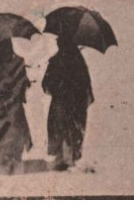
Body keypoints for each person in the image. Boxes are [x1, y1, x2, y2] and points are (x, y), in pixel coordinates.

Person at [0, 38, 33, 173]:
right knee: (14, 133)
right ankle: (14, 163)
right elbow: (23, 86)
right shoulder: (19, 61)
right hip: (14, 106)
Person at [42, 37, 94, 170]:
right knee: (75, 129)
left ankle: (61, 158)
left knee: (59, 128)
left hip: (60, 102)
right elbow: (86, 84)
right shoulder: (79, 61)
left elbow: (46, 84)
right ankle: (74, 157)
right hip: (77, 103)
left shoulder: (55, 60)